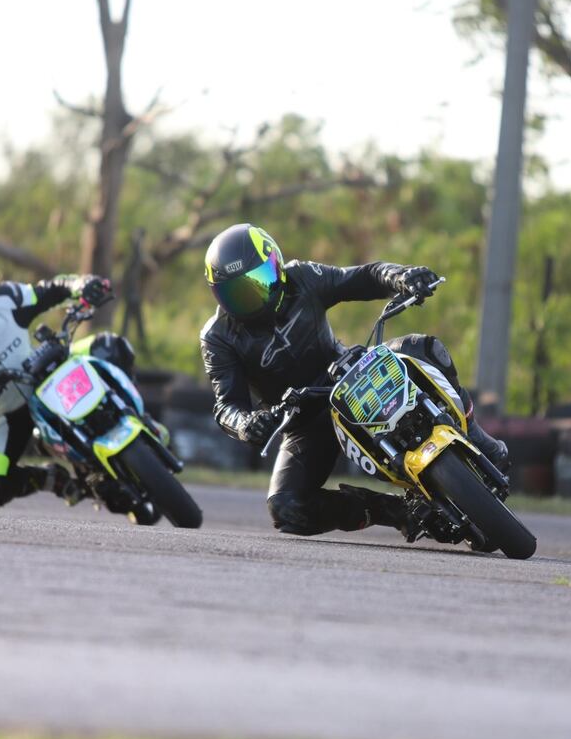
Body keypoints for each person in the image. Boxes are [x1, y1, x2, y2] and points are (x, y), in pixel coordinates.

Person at [200, 223, 508, 537]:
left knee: (423, 348)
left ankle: (480, 441)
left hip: (353, 377)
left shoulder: (302, 278)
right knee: (286, 506)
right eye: (237, 293)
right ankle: (398, 510)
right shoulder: (217, 338)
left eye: (258, 282)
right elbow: (227, 406)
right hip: (303, 419)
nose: (254, 298)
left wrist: (400, 276)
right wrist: (246, 423)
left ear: (276, 267)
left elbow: (363, 277)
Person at [0, 266, 132, 509]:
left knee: (111, 347)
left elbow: (53, 290)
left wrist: (81, 286)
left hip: (48, 375)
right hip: (5, 414)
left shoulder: (6, 299)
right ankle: (51, 480)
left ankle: (135, 418)